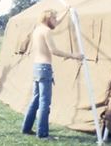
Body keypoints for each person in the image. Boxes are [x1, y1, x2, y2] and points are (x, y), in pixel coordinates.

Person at [21, 8, 84, 139]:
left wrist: (65, 12)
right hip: (45, 68)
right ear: (49, 19)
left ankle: (26, 128)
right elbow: (54, 51)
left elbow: (56, 23)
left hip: (37, 67)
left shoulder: (38, 30)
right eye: (54, 18)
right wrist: (73, 55)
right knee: (45, 102)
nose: (56, 20)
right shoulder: (47, 31)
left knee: (35, 100)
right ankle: (42, 134)